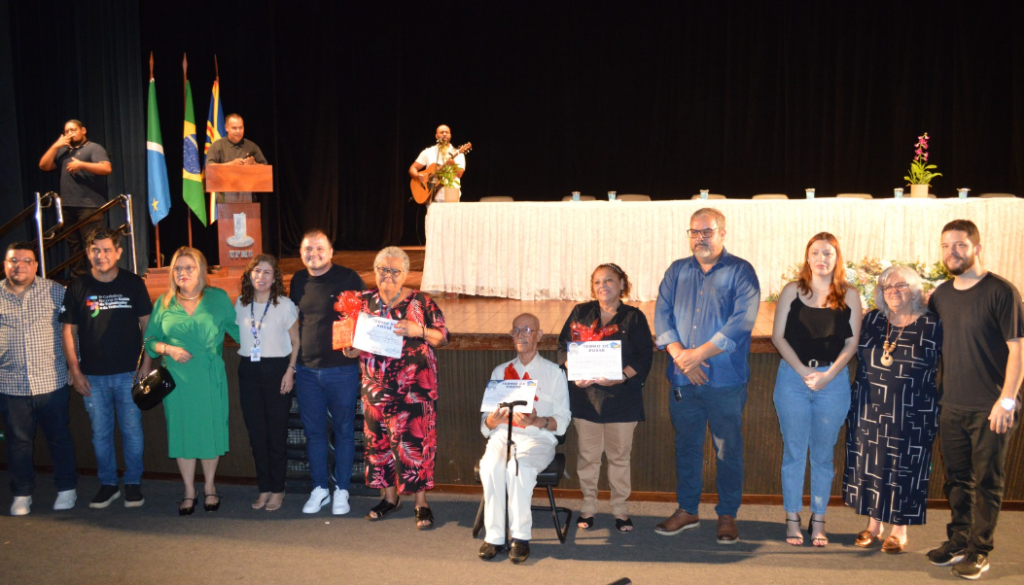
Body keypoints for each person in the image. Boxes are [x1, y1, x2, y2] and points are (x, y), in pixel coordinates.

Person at [652, 208, 760, 544]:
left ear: (722, 233)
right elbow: (662, 317)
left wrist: (697, 355)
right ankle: (687, 509)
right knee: (686, 446)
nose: (701, 238)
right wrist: (683, 359)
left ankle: (727, 513)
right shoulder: (676, 271)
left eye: (708, 231)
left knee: (728, 449)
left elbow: (741, 323)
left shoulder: (741, 272)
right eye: (695, 232)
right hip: (684, 379)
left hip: (725, 381)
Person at [925, 219, 1024, 580]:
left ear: (977, 248)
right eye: (946, 246)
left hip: (991, 408)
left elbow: (1019, 350)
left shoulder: (1002, 292)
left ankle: (980, 550)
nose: (953, 252)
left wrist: (1007, 401)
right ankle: (960, 540)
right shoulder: (942, 295)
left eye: (961, 245)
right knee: (956, 480)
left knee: (987, 481)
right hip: (952, 405)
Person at [342, 246, 449, 529]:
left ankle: (421, 503)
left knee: (416, 443)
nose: (388, 276)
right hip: (375, 387)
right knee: (379, 443)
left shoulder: (421, 302)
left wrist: (419, 331)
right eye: (383, 270)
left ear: (405, 275)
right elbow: (347, 344)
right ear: (374, 272)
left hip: (415, 388)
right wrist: (350, 350)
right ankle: (389, 499)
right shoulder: (361, 302)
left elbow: (443, 338)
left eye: (395, 271)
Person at [771, 233, 862, 547]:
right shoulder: (792, 291)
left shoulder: (849, 294)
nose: (821, 258)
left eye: (828, 253)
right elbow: (778, 337)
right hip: (793, 379)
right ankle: (793, 518)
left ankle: (819, 519)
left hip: (833, 381)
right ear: (807, 257)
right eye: (815, 253)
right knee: (794, 452)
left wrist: (828, 375)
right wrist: (804, 371)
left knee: (823, 456)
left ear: (837, 258)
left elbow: (852, 344)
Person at [844, 265, 942, 554]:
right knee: (871, 464)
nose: (894, 291)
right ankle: (874, 524)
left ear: (915, 290)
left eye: (901, 286)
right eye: (887, 287)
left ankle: (900, 528)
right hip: (870, 405)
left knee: (905, 467)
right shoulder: (873, 319)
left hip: (912, 409)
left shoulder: (932, 323)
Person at [60, 228, 152, 509]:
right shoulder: (77, 287)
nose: (101, 255)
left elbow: (149, 326)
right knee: (100, 433)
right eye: (95, 250)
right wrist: (75, 371)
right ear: (88, 253)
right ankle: (109, 484)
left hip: (130, 374)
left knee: (132, 430)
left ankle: (133, 483)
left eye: (107, 250)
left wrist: (147, 364)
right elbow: (68, 332)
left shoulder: (133, 283)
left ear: (118, 252)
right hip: (92, 377)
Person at [557, 263, 653, 533]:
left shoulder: (633, 317)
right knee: (588, 457)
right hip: (585, 398)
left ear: (622, 284)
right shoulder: (581, 312)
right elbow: (563, 346)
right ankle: (588, 507)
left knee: (619, 458)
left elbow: (645, 356)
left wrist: (622, 376)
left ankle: (620, 510)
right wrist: (573, 371)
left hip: (622, 399)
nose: (603, 286)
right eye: (598, 282)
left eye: (609, 281)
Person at [143, 247, 239, 515]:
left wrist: (270, 337)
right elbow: (149, 340)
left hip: (210, 379)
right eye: (178, 268)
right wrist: (168, 349)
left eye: (189, 267)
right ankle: (189, 490)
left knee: (209, 431)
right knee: (183, 433)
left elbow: (238, 330)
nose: (183, 273)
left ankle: (210, 487)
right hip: (178, 382)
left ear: (201, 271)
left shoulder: (217, 298)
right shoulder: (163, 302)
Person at [479, 313, 571, 564]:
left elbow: (562, 420)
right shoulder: (501, 371)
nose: (520, 335)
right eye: (516, 331)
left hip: (537, 438)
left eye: (527, 330)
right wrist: (492, 420)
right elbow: (485, 422)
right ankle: (495, 537)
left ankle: (520, 537)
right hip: (503, 434)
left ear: (539, 336)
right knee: (490, 466)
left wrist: (536, 421)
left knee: (517, 468)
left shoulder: (554, 373)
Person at [289, 229, 365, 515]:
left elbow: (365, 317)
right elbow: (295, 323)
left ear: (331, 252)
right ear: (301, 253)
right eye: (308, 249)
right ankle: (320, 488)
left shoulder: (349, 278)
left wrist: (358, 345)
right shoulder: (297, 281)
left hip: (342, 371)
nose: (314, 254)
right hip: (307, 371)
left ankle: (342, 490)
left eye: (320, 249)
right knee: (313, 433)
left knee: (345, 431)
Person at [0, 243, 78, 516]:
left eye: (26, 261)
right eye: (13, 260)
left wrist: (74, 364)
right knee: (18, 442)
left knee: (59, 438)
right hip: (10, 384)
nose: (18, 265)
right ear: (5, 264)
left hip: (51, 381)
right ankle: (22, 493)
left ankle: (67, 488)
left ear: (35, 265)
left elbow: (71, 330)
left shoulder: (55, 291)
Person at [235, 254, 299, 512]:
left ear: (275, 279)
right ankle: (264, 488)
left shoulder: (284, 305)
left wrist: (290, 371)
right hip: (248, 371)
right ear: (250, 275)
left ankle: (277, 489)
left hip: (277, 370)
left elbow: (297, 342)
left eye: (267, 273)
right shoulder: (240, 303)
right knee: (256, 435)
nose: (261, 276)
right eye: (257, 271)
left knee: (275, 434)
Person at [38, 119, 112, 278]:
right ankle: (79, 281)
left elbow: (106, 168)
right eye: (67, 131)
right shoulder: (63, 151)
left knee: (92, 244)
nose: (70, 134)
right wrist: (56, 146)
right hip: (67, 206)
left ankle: (99, 279)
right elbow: (44, 166)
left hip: (89, 206)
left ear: (83, 130)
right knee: (74, 246)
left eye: (73, 130)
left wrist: (82, 165)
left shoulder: (94, 148)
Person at [408, 124, 466, 202]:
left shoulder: (458, 153)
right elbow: (412, 168)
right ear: (436, 136)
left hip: (451, 193)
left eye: (447, 132)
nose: (444, 134)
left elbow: (459, 174)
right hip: (431, 194)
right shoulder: (428, 152)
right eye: (442, 132)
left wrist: (452, 163)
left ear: (450, 136)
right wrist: (417, 176)